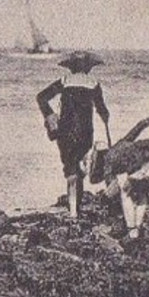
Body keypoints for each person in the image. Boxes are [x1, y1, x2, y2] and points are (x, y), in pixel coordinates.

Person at [36, 51, 110, 218]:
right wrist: (106, 117)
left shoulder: (65, 81)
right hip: (85, 132)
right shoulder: (94, 83)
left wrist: (50, 115)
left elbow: (41, 98)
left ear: (71, 67)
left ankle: (73, 211)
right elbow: (102, 109)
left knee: (70, 170)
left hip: (65, 131)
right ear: (88, 67)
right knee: (80, 170)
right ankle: (77, 208)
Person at [90, 115, 149, 239]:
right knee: (141, 191)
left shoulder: (108, 163)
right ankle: (137, 227)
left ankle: (132, 230)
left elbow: (111, 191)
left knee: (127, 191)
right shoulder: (123, 142)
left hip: (148, 165)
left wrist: (105, 199)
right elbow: (140, 125)